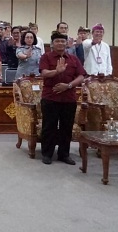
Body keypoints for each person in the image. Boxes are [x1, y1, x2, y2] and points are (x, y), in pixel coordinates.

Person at [38, 32, 85, 165]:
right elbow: (44, 73)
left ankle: (64, 154)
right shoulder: (46, 57)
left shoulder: (73, 59)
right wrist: (57, 72)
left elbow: (81, 76)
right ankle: (47, 154)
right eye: (57, 41)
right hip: (50, 98)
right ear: (52, 43)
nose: (60, 43)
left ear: (66, 44)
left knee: (67, 127)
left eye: (63, 41)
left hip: (69, 98)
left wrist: (68, 85)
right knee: (49, 127)